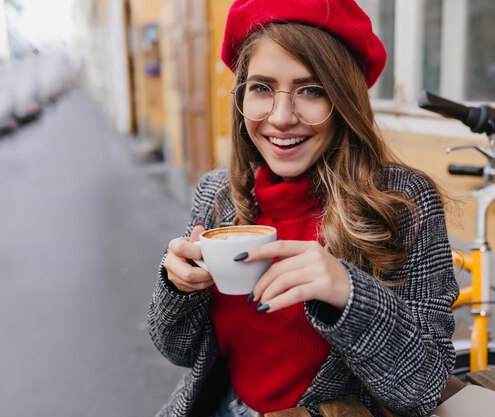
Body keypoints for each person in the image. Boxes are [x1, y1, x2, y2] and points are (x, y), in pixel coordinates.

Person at [147, 1, 458, 416]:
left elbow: (425, 386)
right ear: (242, 95)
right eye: (261, 88)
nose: (280, 117)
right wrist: (176, 287)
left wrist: (349, 292)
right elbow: (178, 350)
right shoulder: (217, 194)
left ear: (345, 99)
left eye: (311, 90)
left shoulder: (403, 203)